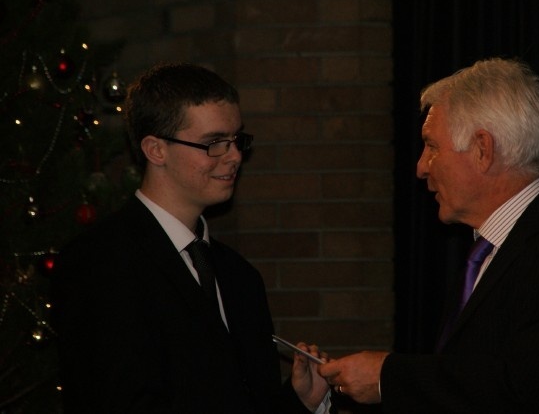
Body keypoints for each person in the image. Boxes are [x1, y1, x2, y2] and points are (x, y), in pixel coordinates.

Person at [317, 57, 539, 413]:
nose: (421, 167)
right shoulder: (486, 252)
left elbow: (529, 390)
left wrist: (387, 377)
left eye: (432, 146)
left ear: (483, 150)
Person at [52, 63, 331, 414]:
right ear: (156, 150)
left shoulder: (239, 276)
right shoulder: (100, 262)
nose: (235, 156)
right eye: (214, 143)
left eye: (236, 140)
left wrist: (300, 401)